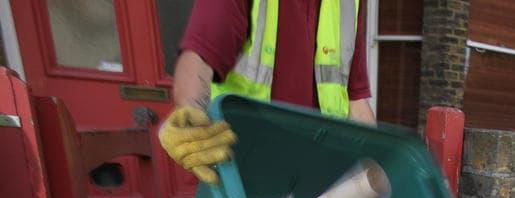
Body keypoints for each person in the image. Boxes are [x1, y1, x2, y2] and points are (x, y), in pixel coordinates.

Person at [158, 0, 374, 184]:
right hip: (245, 172)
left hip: (318, 176)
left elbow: (356, 101)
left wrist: (377, 168)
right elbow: (200, 55)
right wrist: (190, 112)